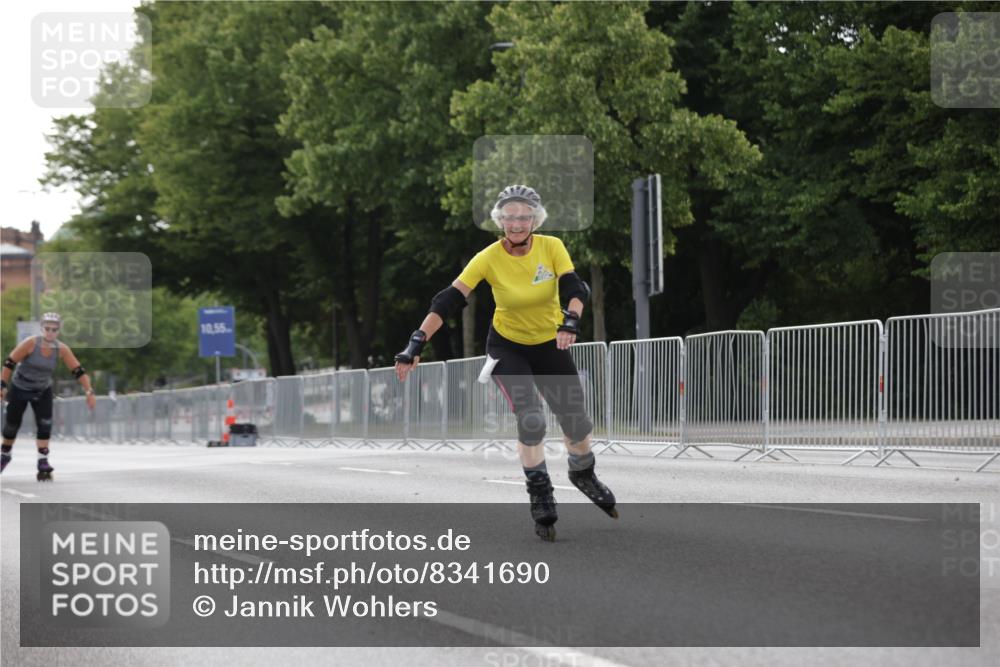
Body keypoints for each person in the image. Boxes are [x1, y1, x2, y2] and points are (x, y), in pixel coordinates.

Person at [394, 185, 616, 541]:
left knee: (576, 421)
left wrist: (570, 321)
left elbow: (576, 289)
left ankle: (583, 473)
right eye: (509, 216)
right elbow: (447, 300)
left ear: (534, 220)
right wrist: (416, 343)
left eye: (524, 216)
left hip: (549, 344)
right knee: (529, 417)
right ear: (500, 221)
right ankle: (540, 492)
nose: (516, 222)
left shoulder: (551, 247)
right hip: (507, 348)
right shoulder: (487, 257)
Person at [1, 313, 96, 481]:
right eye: (47, 329)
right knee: (11, 427)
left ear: (58, 331)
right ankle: (5, 455)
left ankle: (42, 462)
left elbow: (78, 371)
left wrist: (89, 391)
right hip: (20, 388)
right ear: (41, 328)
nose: (50, 332)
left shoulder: (62, 349)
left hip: (42, 390)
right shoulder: (31, 343)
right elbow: (9, 363)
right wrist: (2, 385)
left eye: (54, 329)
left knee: (44, 425)